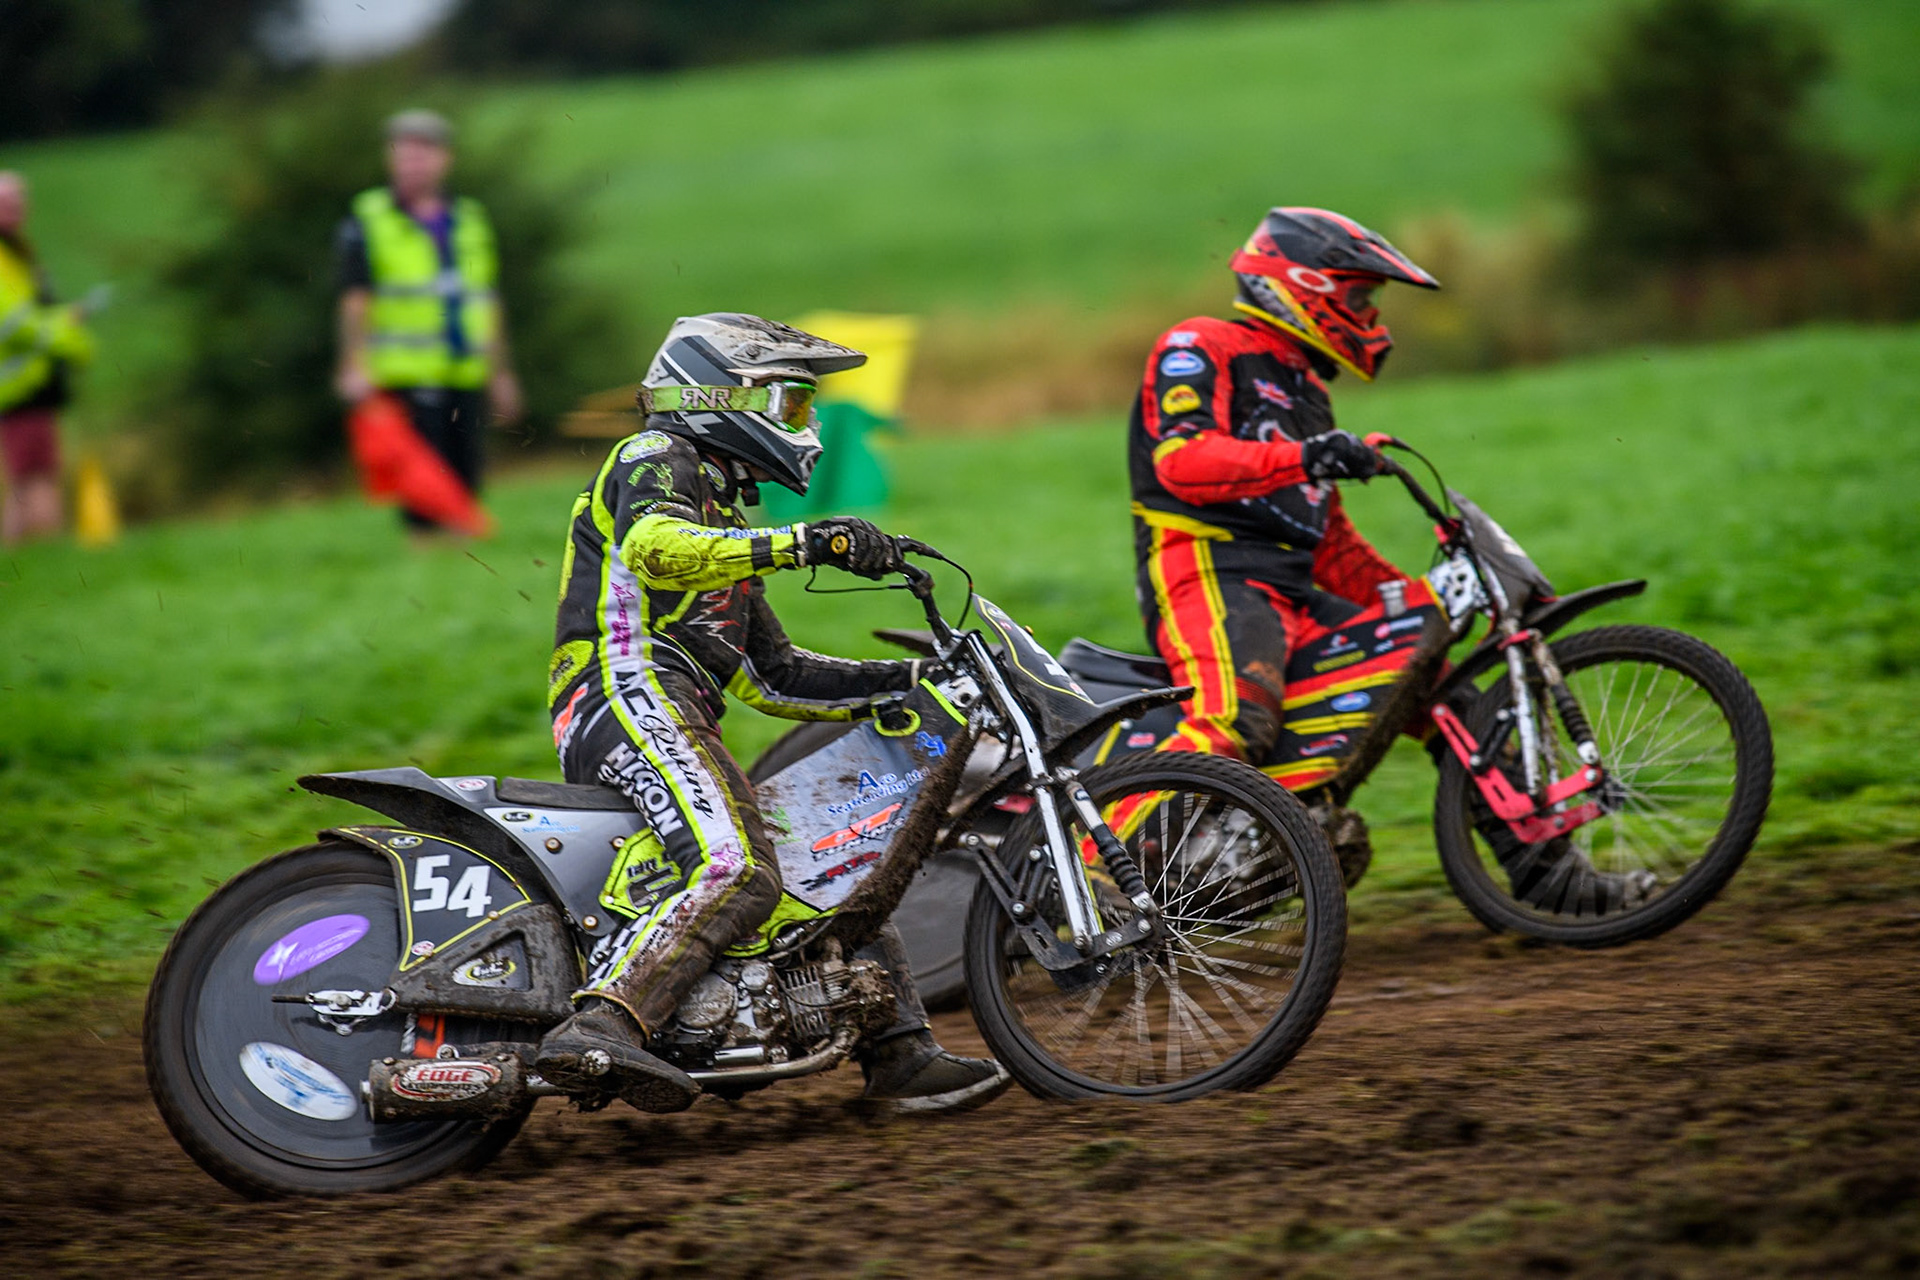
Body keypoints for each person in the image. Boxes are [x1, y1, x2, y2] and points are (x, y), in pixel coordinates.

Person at [535, 312, 1010, 1115]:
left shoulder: (727, 522)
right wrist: (807, 544)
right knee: (738, 867)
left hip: (674, 703)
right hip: (621, 691)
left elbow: (774, 676)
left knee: (823, 866)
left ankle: (899, 1054)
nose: (809, 426)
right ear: (719, 395)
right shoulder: (657, 455)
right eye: (792, 405)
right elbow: (656, 547)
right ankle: (601, 1025)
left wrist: (923, 679)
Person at [1126, 206, 1640, 908]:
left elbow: (1328, 539)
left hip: (1293, 590)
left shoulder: (1306, 392)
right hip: (1210, 573)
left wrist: (1424, 616)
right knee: (1234, 718)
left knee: (1445, 685)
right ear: (1304, 287)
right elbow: (1183, 460)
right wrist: (1306, 455)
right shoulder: (1200, 343)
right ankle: (1102, 877)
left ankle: (1552, 876)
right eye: (1360, 298)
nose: (1369, 317)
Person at [334, 110, 522, 532]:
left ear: (445, 159)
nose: (414, 162)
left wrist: (501, 372)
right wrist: (353, 365)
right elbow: (354, 300)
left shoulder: (470, 218)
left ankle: (461, 554)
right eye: (404, 152)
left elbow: (487, 300)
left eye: (424, 152)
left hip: (465, 368)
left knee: (466, 469)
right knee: (420, 475)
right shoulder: (369, 218)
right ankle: (425, 556)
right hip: (405, 371)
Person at [0, 171, 93, 545]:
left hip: (29, 383)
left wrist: (62, 320)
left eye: (20, 201)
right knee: (36, 476)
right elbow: (12, 322)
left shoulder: (17, 251)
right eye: (8, 203)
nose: (18, 210)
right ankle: (44, 551)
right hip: (20, 384)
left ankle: (27, 556)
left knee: (31, 476)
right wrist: (63, 331)